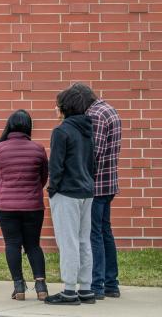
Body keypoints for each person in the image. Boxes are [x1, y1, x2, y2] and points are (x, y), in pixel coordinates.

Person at [0, 109, 49, 301]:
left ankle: (19, 286)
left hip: (6, 206)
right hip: (33, 206)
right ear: (29, 126)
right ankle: (41, 286)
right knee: (33, 245)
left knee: (12, 243)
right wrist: (32, 191)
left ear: (9, 125)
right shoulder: (38, 149)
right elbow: (43, 178)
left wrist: (1, 191)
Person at [45, 83, 97, 305]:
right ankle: (85, 288)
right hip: (87, 190)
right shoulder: (88, 128)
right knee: (84, 240)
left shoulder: (62, 130)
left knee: (68, 242)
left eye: (57, 105)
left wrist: (52, 189)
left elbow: (55, 165)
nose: (55, 109)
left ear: (64, 107)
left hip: (67, 191)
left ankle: (68, 290)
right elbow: (93, 162)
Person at [86, 87, 122, 300]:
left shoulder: (95, 115)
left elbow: (93, 151)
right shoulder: (109, 109)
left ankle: (97, 284)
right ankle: (111, 283)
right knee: (105, 232)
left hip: (97, 184)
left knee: (94, 234)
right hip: (108, 183)